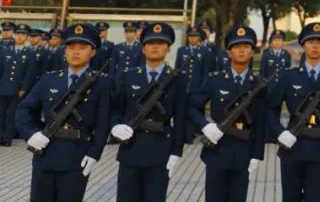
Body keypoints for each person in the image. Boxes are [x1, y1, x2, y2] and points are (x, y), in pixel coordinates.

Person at [16, 23, 111, 202]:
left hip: (77, 157)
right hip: (45, 154)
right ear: (64, 51)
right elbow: (23, 110)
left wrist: (94, 154)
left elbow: (103, 122)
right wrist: (31, 134)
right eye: (71, 47)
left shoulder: (101, 83)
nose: (76, 52)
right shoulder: (49, 79)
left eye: (82, 47)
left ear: (92, 52)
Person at [109, 22, 186, 202]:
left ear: (168, 48)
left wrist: (176, 151)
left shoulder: (177, 79)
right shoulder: (128, 76)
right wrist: (115, 126)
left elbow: (180, 117)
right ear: (143, 49)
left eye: (160, 43)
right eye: (150, 43)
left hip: (161, 149)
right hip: (131, 148)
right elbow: (116, 109)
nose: (155, 47)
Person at [189, 24, 267, 202]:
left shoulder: (258, 84)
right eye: (236, 47)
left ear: (252, 52)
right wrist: (205, 126)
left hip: (244, 151)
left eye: (246, 47)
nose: (241, 51)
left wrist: (257, 154)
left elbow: (261, 122)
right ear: (228, 53)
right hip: (218, 149)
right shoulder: (214, 80)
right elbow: (192, 106)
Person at [265, 21, 320, 202]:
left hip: (319, 148)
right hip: (293, 147)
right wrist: (280, 132)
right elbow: (270, 108)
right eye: (310, 41)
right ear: (303, 45)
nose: (315, 46)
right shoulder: (288, 76)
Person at [0, 22, 32, 145]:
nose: (20, 37)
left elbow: (29, 74)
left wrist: (23, 88)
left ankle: (7, 138)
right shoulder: (5, 51)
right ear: (14, 35)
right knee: (1, 113)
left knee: (11, 115)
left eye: (23, 34)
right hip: (3, 87)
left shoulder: (30, 53)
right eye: (18, 34)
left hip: (17, 89)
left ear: (27, 37)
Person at [176, 27, 206, 143]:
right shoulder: (181, 50)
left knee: (193, 110)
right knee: (182, 109)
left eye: (195, 36)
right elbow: (177, 67)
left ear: (198, 38)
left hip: (196, 86)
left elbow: (205, 72)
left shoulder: (203, 51)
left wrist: (203, 87)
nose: (192, 38)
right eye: (190, 36)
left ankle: (190, 133)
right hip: (183, 85)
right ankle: (183, 133)